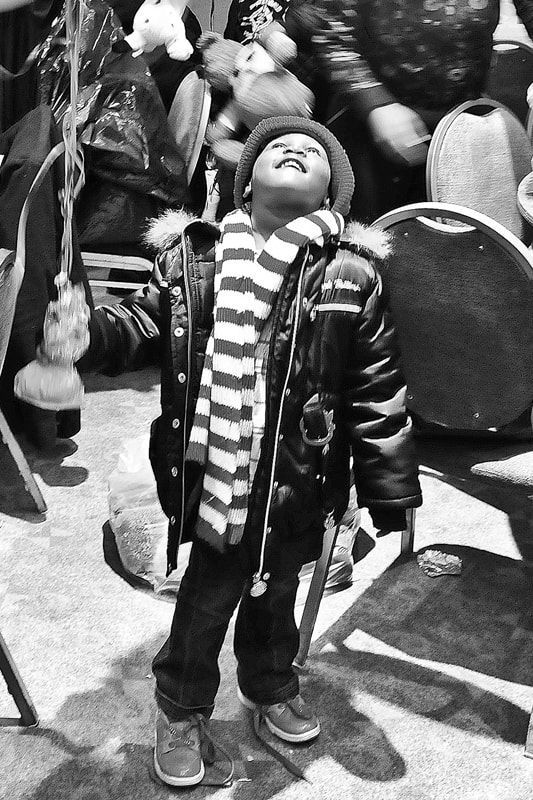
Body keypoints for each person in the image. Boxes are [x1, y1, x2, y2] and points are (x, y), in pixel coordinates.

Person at [71, 116, 422, 786]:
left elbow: (376, 386)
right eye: (276, 145)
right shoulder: (196, 256)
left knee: (275, 600)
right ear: (246, 181)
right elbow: (142, 323)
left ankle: (268, 688)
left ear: (330, 196)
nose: (296, 146)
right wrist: (86, 335)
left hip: (300, 474)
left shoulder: (351, 274)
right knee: (205, 603)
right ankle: (179, 707)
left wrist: (389, 488)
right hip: (215, 475)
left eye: (315, 151)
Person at [233, 0, 533, 221]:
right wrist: (378, 104)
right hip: (370, 129)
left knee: (462, 259)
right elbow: (329, 29)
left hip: (464, 127)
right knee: (368, 253)